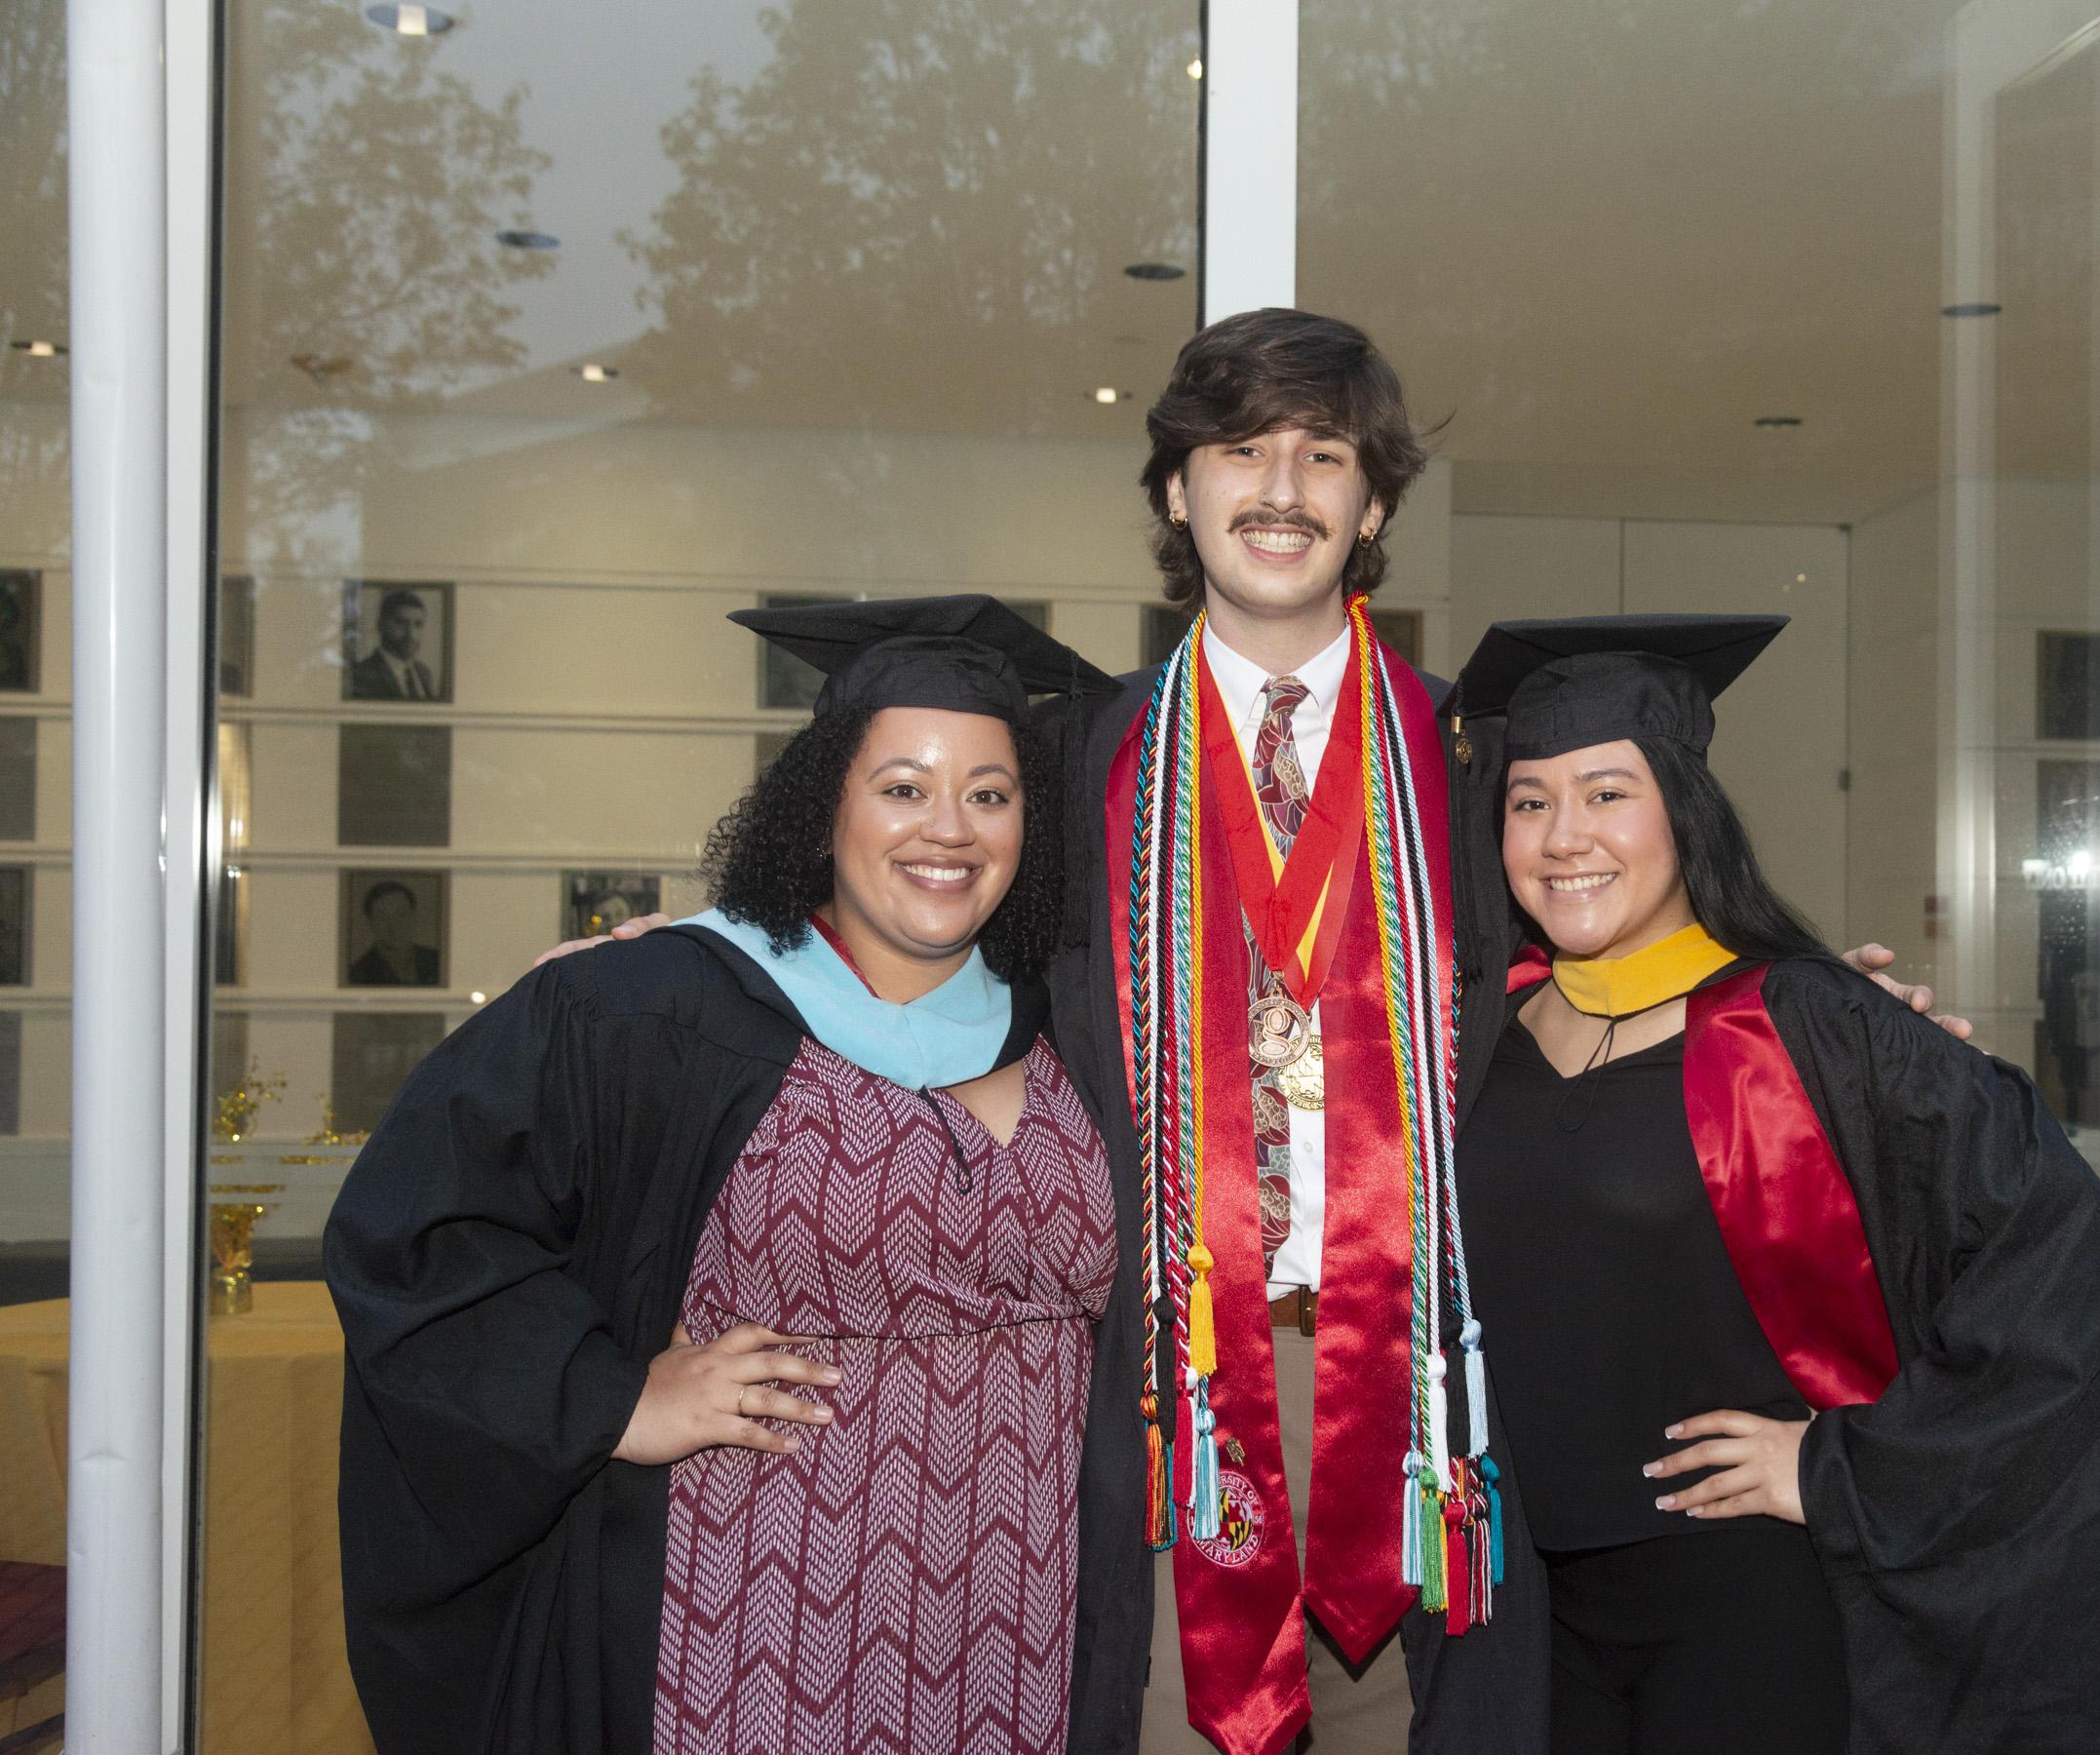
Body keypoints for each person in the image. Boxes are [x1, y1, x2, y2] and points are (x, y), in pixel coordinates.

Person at [564, 310, 1968, 1755]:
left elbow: (1596, 955)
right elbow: (903, 924)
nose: (1281, 489)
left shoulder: (1473, 764)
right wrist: (670, 973)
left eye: (1325, 455)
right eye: (1240, 452)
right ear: (1178, 492)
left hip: (1440, 1404)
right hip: (1156, 1402)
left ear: (1373, 506)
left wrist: (1816, 1015)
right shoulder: (1076, 764)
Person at [328, 596, 1134, 1754]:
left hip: (1035, 1611)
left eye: (989, 793)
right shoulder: (660, 1005)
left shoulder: (1078, 1027)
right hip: (753, 1607)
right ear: (823, 809)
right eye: (902, 786)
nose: (949, 829)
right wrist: (610, 1400)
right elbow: (418, 1228)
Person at [1445, 613, 2100, 1754]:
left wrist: (1838, 1468)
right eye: (1531, 801)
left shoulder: (1805, 1024)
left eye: (1608, 792)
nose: (1565, 836)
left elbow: (2073, 1274)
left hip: (1743, 1598)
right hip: (1526, 1606)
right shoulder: (1480, 1028)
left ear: (1683, 806)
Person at [348, 587, 441, 700]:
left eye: (418, 625)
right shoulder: (360, 676)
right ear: (380, 625)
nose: (411, 634)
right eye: (401, 623)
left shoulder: (424, 673)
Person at [345, 878, 439, 986]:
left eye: (401, 914)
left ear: (413, 917)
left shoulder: (436, 960)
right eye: (382, 916)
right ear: (370, 922)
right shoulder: (358, 973)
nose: (394, 924)